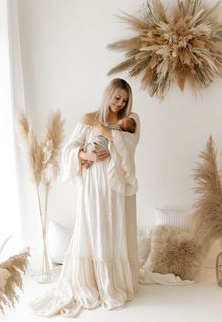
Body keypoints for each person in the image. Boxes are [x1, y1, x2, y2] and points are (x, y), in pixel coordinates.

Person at [30, 78, 140, 318]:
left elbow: (130, 146)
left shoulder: (131, 120)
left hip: (115, 185)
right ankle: (92, 280)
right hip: (92, 185)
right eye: (117, 98)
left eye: (125, 99)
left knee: (114, 226)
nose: (120, 103)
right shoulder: (88, 118)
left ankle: (113, 282)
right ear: (108, 95)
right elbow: (69, 149)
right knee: (94, 225)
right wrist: (85, 154)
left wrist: (105, 134)